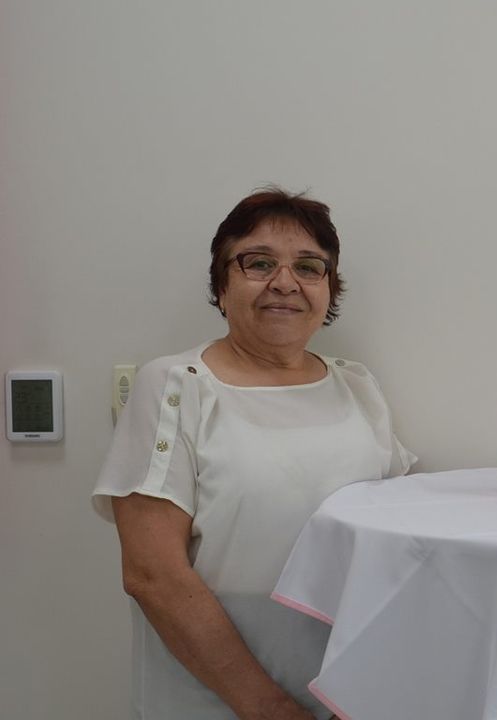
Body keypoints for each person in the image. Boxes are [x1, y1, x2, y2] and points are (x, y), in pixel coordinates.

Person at [93, 188, 417, 719]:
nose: (285, 282)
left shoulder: (357, 387)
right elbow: (153, 576)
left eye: (308, 267)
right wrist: (270, 709)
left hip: (349, 697)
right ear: (222, 286)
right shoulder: (176, 386)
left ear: (328, 290)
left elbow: (390, 542)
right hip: (218, 702)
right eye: (259, 263)